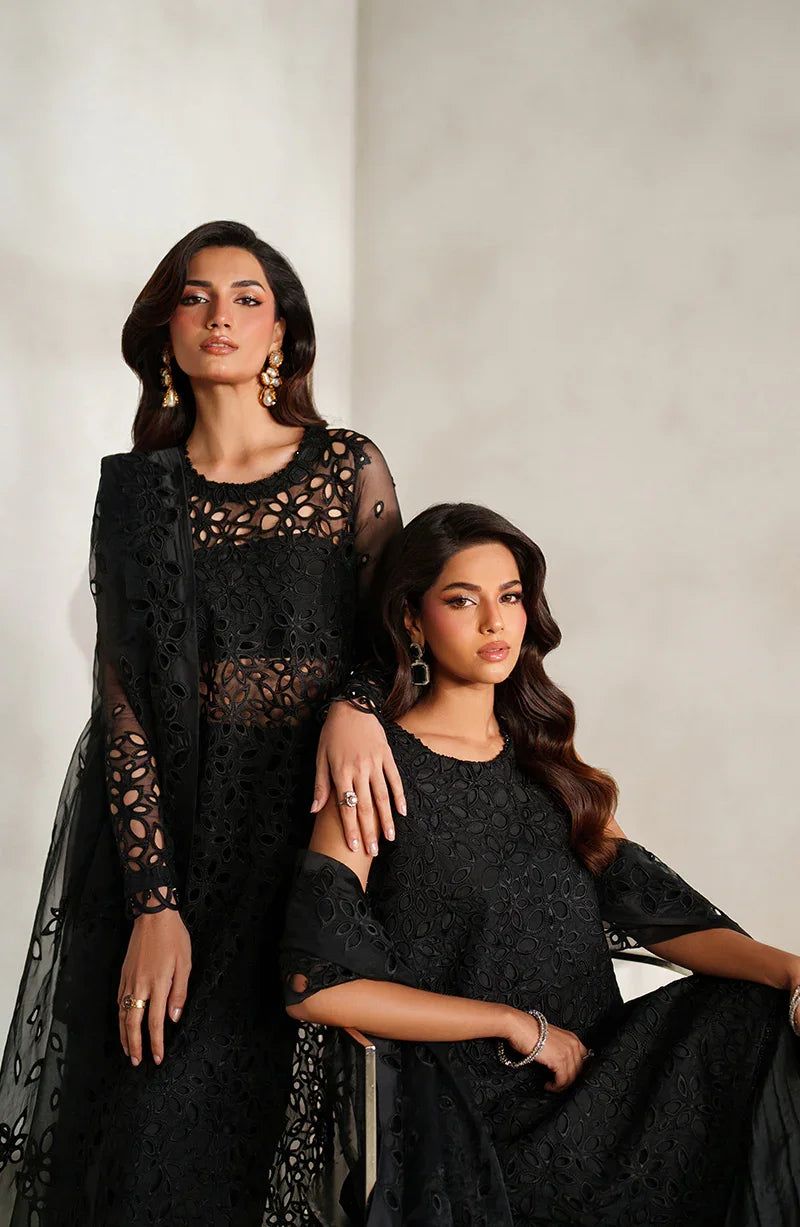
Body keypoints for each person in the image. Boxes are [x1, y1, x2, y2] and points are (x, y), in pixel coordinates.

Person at [0, 220, 403, 1226]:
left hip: (318, 829)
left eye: (247, 298)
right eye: (195, 297)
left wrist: (356, 702)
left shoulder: (346, 467)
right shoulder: (136, 495)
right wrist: (154, 902)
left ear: (281, 334)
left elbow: (396, 632)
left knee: (291, 1138)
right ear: (167, 332)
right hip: (181, 842)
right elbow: (124, 702)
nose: (220, 315)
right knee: (148, 1138)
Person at [279, 503, 800, 1227]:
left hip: (602, 1082)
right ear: (413, 620)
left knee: (761, 1016)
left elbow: (665, 917)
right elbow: (315, 984)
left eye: (511, 596)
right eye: (463, 600)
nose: (495, 622)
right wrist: (518, 1025)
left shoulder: (549, 766)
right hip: (485, 1126)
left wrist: (793, 973)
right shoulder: (374, 767)